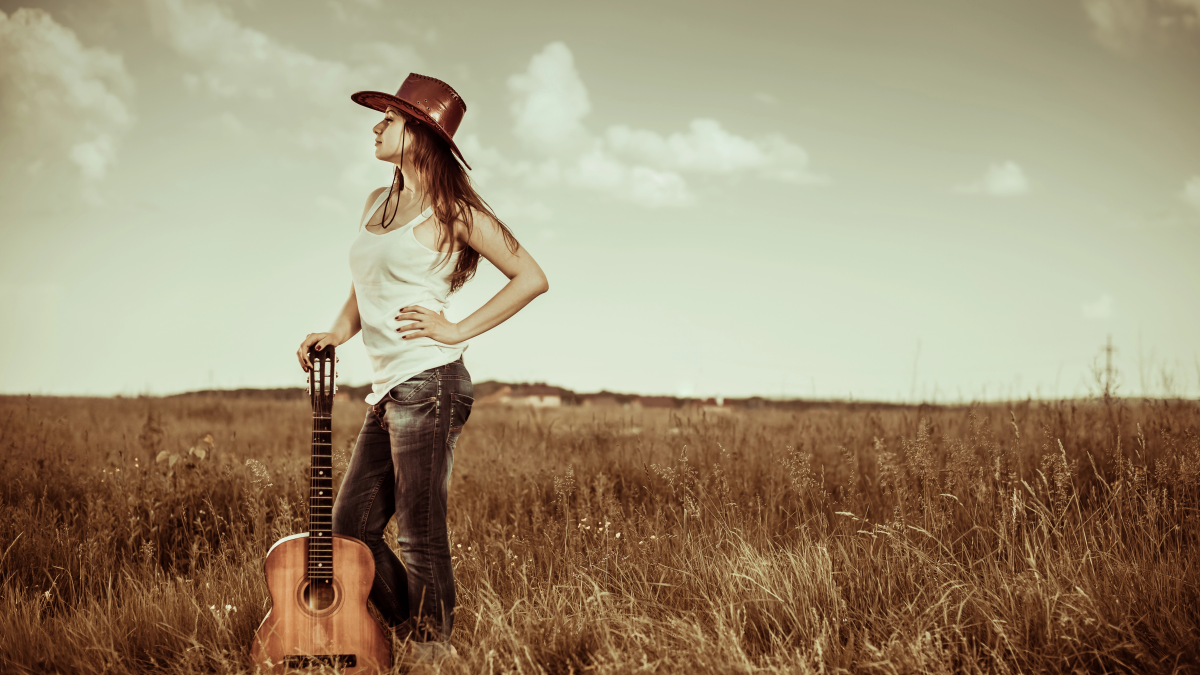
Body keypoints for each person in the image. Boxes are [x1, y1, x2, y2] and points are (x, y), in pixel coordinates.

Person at [295, 73, 549, 658]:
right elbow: (368, 285)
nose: (377, 125)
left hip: (431, 382)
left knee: (417, 531)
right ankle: (418, 636)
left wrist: (457, 328)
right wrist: (337, 332)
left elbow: (531, 277)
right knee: (346, 531)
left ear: (422, 134)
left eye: (391, 118)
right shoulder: (376, 203)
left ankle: (432, 652)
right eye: (380, 116)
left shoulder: (453, 210)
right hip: (389, 390)